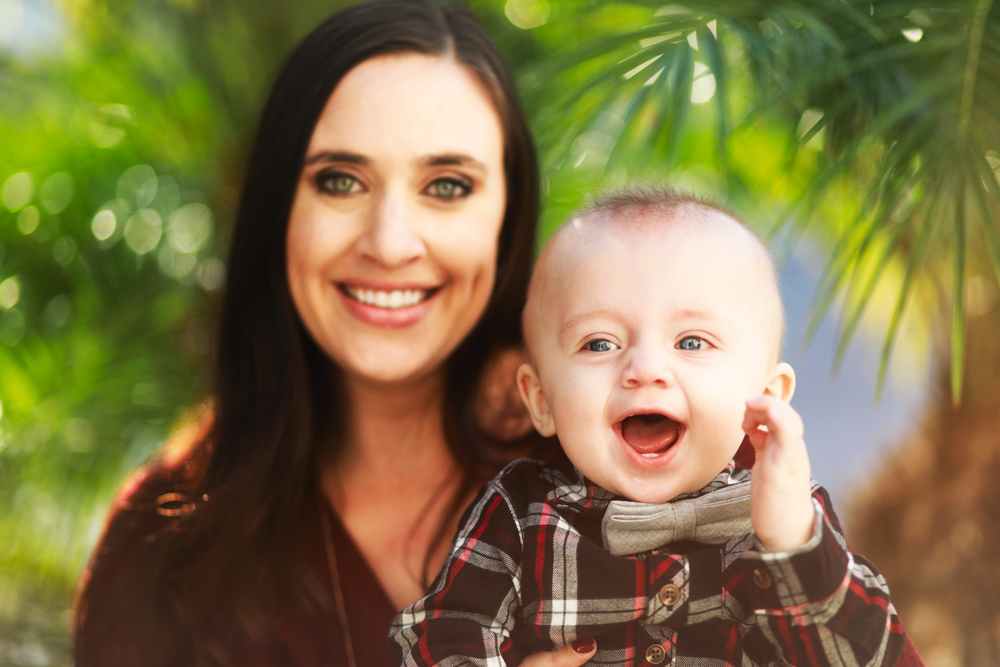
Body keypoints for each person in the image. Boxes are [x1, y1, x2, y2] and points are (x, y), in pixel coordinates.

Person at [73, 2, 596, 666]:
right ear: (277, 207)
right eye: (340, 181)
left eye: (447, 186)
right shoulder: (162, 552)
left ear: (508, 216)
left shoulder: (636, 463)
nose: (389, 242)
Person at [391, 189, 923, 665]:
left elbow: (869, 656)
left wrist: (793, 545)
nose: (644, 369)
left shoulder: (786, 518)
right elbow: (444, 639)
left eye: (692, 342)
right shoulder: (520, 513)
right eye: (599, 343)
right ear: (541, 399)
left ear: (767, 396)